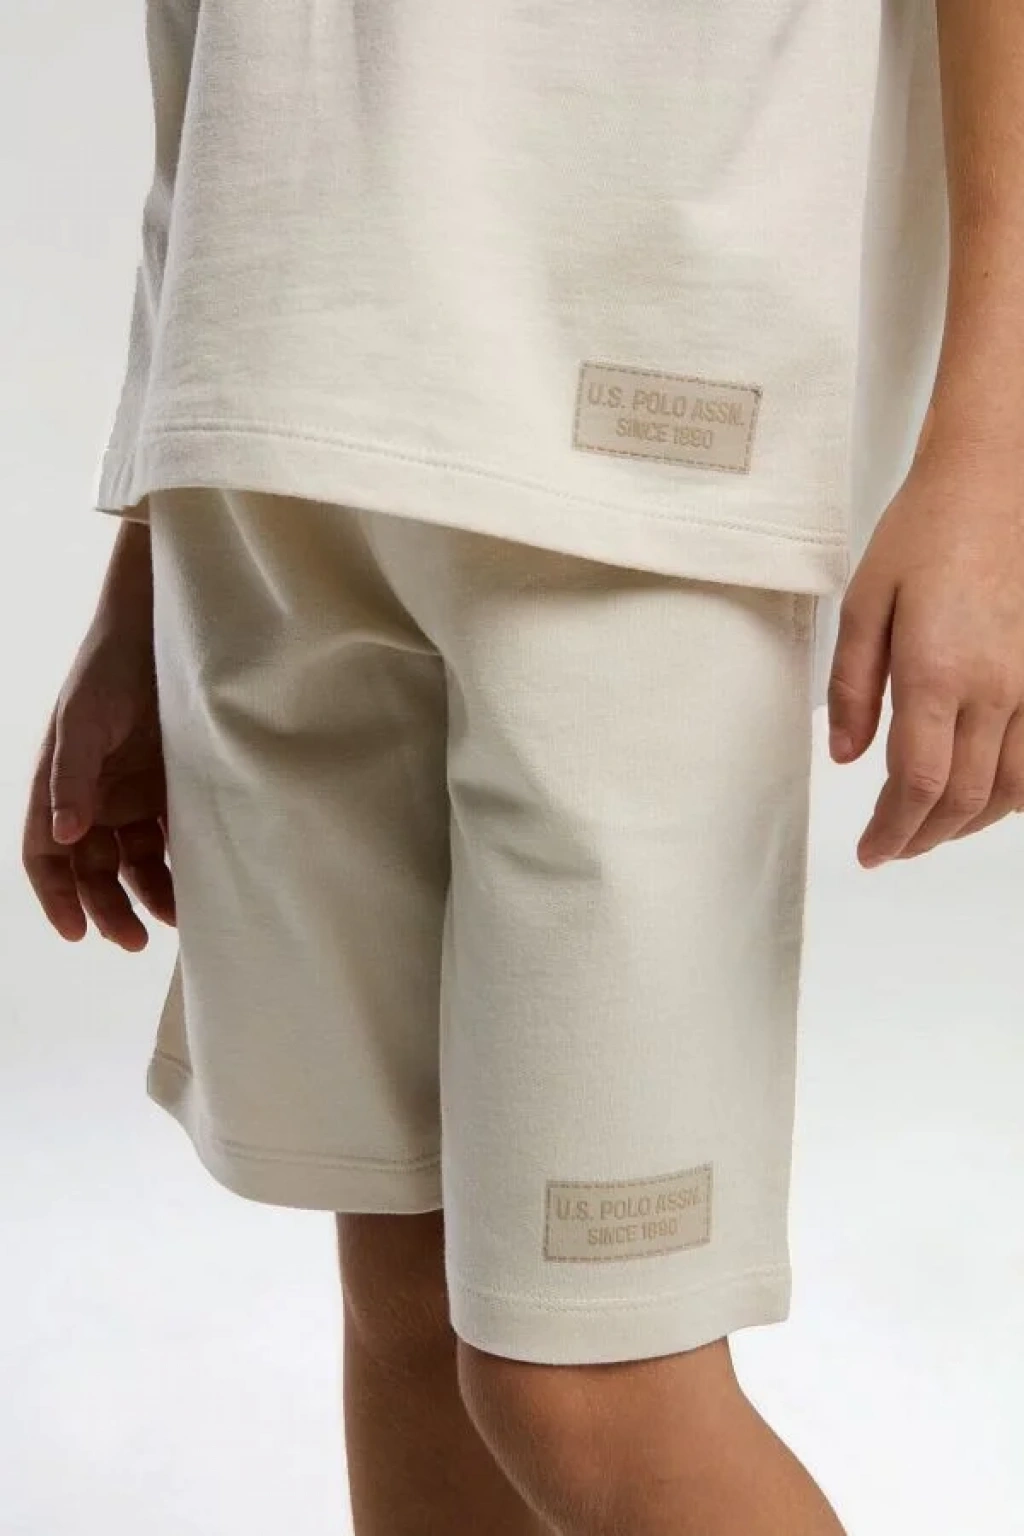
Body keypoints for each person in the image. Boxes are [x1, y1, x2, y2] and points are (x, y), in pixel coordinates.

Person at [21, 2, 1024, 1532]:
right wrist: (145, 549)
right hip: (267, 425)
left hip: (644, 414)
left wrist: (996, 452)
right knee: (408, 1313)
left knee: (588, 1387)